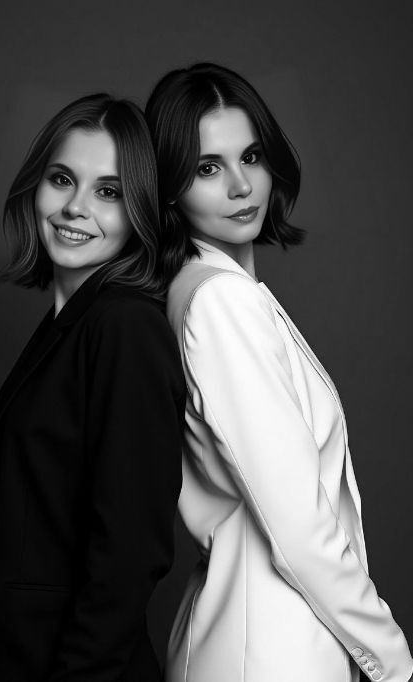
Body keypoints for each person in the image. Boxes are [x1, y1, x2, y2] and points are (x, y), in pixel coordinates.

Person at [145, 63, 413, 682]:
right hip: (270, 650)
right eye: (207, 168)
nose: (241, 185)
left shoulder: (205, 290)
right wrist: (394, 661)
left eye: (251, 157)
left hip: (254, 635)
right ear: (170, 187)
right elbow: (298, 525)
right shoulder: (221, 302)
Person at [0, 93, 185, 682]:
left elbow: (128, 555)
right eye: (62, 179)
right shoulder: (72, 323)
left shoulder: (126, 328)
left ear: (140, 212)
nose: (75, 207)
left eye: (108, 192)